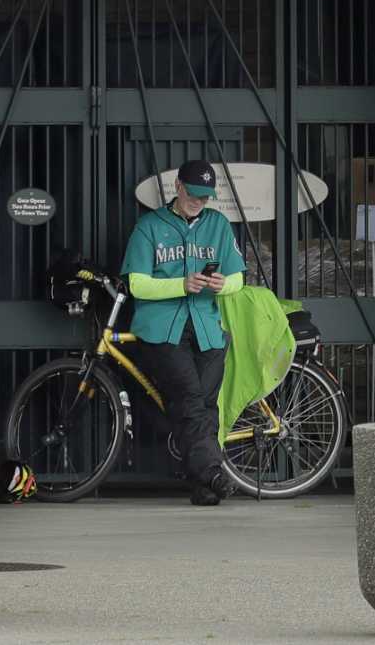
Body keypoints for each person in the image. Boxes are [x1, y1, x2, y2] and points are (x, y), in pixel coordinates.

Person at [121, 159, 247, 505]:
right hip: (163, 329)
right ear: (177, 187)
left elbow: (238, 278)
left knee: (206, 407)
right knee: (192, 399)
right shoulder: (149, 226)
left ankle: (204, 487)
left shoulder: (218, 225)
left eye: (205, 198)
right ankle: (213, 472)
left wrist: (222, 285)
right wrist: (181, 284)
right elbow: (138, 284)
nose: (199, 203)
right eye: (193, 195)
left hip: (208, 326)